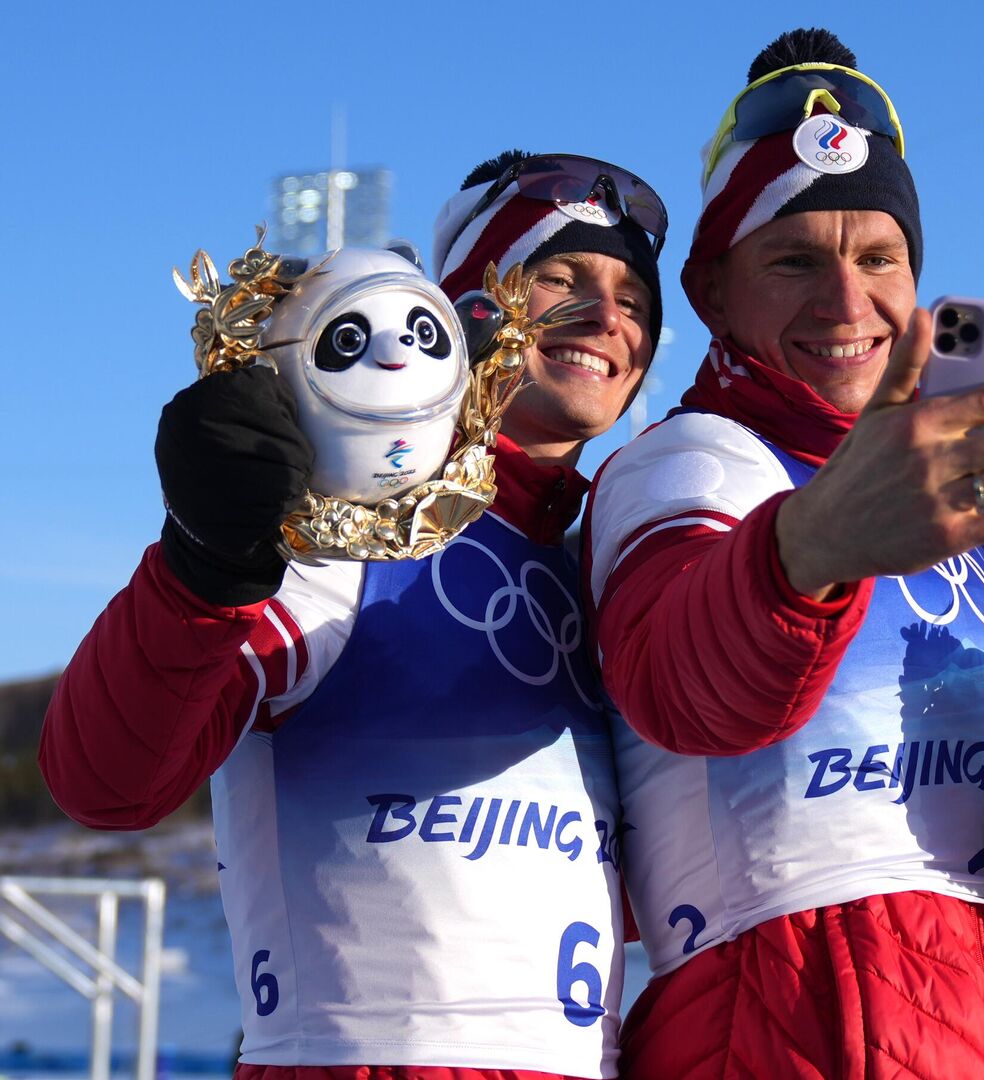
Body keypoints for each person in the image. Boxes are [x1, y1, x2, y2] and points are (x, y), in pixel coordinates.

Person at [39, 149, 668, 1080]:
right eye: (560, 276)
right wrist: (205, 568)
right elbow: (106, 779)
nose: (607, 315)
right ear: (462, 315)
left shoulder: (603, 570)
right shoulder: (341, 533)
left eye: (634, 299)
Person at [582, 28, 984, 1079]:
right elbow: (684, 689)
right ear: (713, 291)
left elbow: (977, 811)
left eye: (878, 258)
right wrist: (808, 548)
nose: (848, 304)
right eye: (795, 260)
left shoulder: (936, 508)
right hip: (786, 1020)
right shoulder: (689, 466)